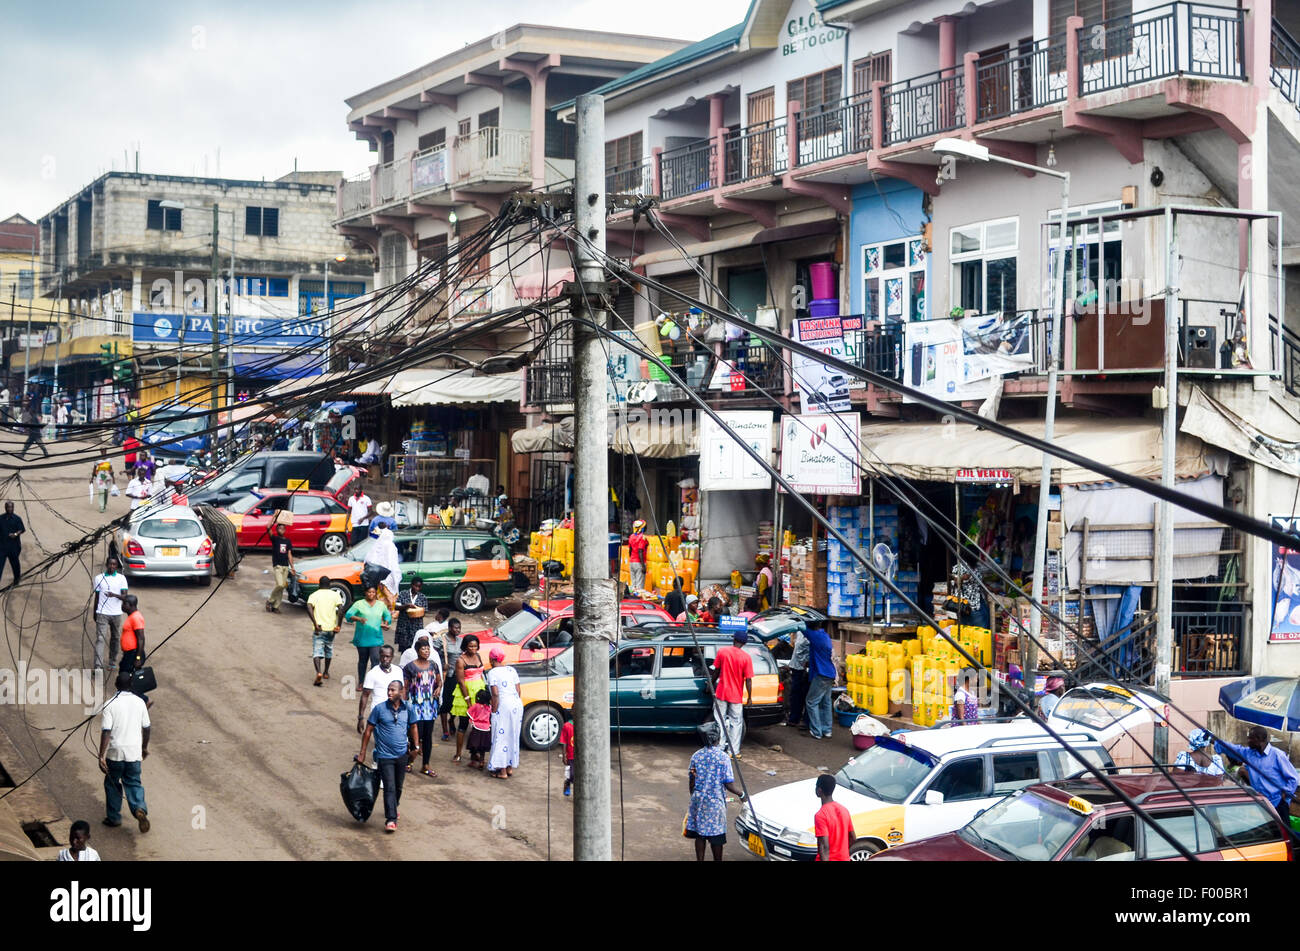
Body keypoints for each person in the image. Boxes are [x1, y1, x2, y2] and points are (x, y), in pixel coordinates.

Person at [356, 680, 419, 833]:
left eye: (393, 690)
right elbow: (368, 731)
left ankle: (393, 806)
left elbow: (414, 727)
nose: (389, 693)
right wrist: (363, 752)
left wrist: (416, 747)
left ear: (401, 691)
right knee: (389, 787)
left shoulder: (408, 708)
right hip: (384, 755)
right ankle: (391, 818)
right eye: (388, 690)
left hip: (402, 754)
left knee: (398, 786)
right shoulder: (379, 709)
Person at [98, 672, 150, 833]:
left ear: (116, 684)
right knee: (133, 782)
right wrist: (144, 748)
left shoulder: (110, 704)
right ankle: (139, 808)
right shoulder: (140, 702)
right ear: (132, 684)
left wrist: (101, 755)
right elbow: (146, 727)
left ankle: (114, 818)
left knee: (112, 783)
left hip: (116, 753)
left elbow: (106, 731)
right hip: (134, 752)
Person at [685, 722, 744, 861]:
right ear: (718, 738)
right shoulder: (723, 757)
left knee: (700, 834)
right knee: (716, 836)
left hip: (698, 800)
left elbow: (691, 780)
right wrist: (742, 794)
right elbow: (728, 784)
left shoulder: (696, 756)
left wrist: (694, 795)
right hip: (715, 803)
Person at [1213, 726, 1298, 814]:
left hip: (1278, 804)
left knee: (1282, 827)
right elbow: (1233, 749)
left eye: (1250, 738)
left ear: (1259, 739)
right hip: (1262, 803)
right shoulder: (1249, 754)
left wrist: (1284, 796)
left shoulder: (1277, 755)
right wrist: (1214, 741)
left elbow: (1294, 778)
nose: (1248, 741)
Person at [402, 636, 440, 778]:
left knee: (427, 736)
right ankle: (410, 761)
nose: (426, 651)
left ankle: (425, 765)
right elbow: (405, 687)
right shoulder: (410, 667)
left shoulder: (433, 665)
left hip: (429, 706)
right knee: (414, 734)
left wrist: (438, 689)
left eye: (428, 649)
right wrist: (404, 704)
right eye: (423, 649)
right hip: (415, 706)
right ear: (417, 651)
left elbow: (439, 681)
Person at [711, 631, 753, 758]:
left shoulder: (722, 652)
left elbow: (716, 671)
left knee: (720, 720)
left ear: (734, 639)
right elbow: (749, 679)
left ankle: (719, 748)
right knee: (736, 723)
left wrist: (710, 685)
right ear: (744, 643)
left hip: (722, 692)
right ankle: (733, 751)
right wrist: (750, 697)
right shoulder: (746, 657)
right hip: (736, 695)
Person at [345, 585, 391, 690]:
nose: (371, 594)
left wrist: (386, 623)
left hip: (376, 638)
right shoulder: (359, 604)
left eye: (373, 592)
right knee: (363, 661)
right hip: (362, 638)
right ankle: (361, 682)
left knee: (375, 660)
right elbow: (348, 615)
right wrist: (358, 618)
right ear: (365, 593)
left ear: (376, 593)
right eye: (369, 592)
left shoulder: (381, 605)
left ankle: (372, 683)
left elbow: (387, 616)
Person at [486, 646, 523, 779]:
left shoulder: (492, 673)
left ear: (491, 659)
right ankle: (509, 767)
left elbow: (495, 694)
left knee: (500, 736)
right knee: (512, 734)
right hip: (516, 704)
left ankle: (501, 771)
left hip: (504, 705)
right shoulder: (511, 670)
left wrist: (494, 711)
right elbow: (518, 690)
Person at [450, 634, 485, 764]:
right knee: (463, 725)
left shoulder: (479, 656)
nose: (473, 648)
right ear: (465, 646)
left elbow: (481, 675)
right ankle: (458, 753)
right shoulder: (460, 660)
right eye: (470, 646)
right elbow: (461, 682)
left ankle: (473, 753)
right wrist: (468, 701)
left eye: (475, 646)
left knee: (478, 726)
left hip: (479, 694)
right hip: (466, 694)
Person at [91, 556, 129, 673]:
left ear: (117, 567)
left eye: (114, 565)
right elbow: (97, 597)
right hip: (102, 613)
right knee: (100, 639)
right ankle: (98, 666)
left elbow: (125, 596)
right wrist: (95, 612)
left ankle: (112, 661)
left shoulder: (121, 578)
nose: (112, 567)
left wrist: (114, 595)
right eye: (110, 564)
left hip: (116, 614)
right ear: (106, 565)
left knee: (115, 638)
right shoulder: (98, 578)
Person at [307, 579, 345, 686]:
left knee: (317, 652)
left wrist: (315, 623)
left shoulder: (314, 595)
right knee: (328, 649)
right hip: (331, 629)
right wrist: (338, 625)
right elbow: (341, 610)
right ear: (329, 585)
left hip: (319, 628)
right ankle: (326, 672)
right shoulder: (335, 595)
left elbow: (309, 607)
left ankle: (318, 672)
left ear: (319, 584)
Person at [813, 772, 855, 862]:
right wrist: (842, 851)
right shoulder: (844, 810)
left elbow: (824, 846)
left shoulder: (821, 815)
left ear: (819, 790)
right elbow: (853, 837)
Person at [805, 624, 836, 740]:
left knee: (811, 701)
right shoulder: (824, 635)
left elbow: (801, 628)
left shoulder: (815, 636)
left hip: (822, 674)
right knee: (826, 702)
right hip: (829, 673)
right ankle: (827, 730)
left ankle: (816, 731)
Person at [194, 505, 239, 579]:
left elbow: (208, 530)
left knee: (229, 551)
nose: (198, 516)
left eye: (197, 514)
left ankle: (231, 572)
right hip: (222, 531)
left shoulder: (207, 509)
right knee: (219, 553)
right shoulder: (207, 516)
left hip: (228, 531)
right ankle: (221, 573)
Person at [436, 617, 463, 741]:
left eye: (459, 628)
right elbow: (432, 655)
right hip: (446, 676)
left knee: (456, 703)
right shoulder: (442, 640)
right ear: (449, 628)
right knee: (445, 704)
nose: (457, 630)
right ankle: (445, 731)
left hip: (458, 676)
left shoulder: (460, 641)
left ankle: (452, 720)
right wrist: (442, 664)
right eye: (455, 627)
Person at [362, 526, 401, 612]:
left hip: (379, 579)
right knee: (389, 597)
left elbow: (368, 560)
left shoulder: (377, 545)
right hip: (389, 578)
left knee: (379, 598)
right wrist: (395, 577)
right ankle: (389, 614)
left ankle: (379, 613)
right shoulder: (391, 546)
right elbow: (393, 563)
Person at [393, 576, 428, 654]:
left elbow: (424, 611)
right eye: (415, 586)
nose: (417, 588)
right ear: (411, 585)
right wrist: (406, 606)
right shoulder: (403, 594)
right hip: (404, 626)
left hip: (416, 627)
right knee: (404, 651)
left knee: (416, 650)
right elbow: (396, 607)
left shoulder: (422, 597)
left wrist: (416, 611)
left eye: (419, 587)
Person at [785, 625, 810, 730]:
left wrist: (804, 664)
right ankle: (794, 718)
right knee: (797, 694)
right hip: (798, 667)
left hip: (801, 668)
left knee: (800, 694)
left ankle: (798, 719)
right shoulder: (802, 633)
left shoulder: (806, 635)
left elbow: (800, 649)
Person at [266, 522, 294, 614]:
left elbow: (289, 554)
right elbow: (268, 527)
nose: (281, 530)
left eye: (283, 528)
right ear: (276, 530)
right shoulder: (275, 539)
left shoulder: (288, 541)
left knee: (282, 588)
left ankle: (276, 606)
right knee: (280, 585)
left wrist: (292, 567)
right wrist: (274, 516)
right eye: (279, 528)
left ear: (285, 530)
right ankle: (270, 600)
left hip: (285, 566)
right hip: (277, 565)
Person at [118, 595, 146, 675]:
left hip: (133, 654)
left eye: (123, 604)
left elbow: (141, 639)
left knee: (125, 675)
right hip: (129, 653)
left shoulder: (136, 618)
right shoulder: (131, 616)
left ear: (129, 605)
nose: (122, 606)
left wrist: (138, 658)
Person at [466, 688, 492, 769]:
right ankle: (481, 761)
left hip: (476, 729)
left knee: (473, 745)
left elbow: (468, 713)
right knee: (482, 747)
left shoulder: (476, 706)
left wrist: (473, 719)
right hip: (486, 729)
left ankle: (473, 761)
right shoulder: (489, 707)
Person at [0, 501, 24, 586]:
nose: (9, 509)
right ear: (5, 508)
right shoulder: (0, 518)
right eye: (8, 507)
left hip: (13, 547)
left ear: (13, 508)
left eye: (11, 507)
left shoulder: (17, 518)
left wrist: (16, 534)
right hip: (2, 547)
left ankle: (17, 579)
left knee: (15, 564)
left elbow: (22, 529)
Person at [627, 519, 648, 593]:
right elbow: (640, 551)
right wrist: (643, 566)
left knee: (633, 586)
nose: (646, 528)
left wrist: (632, 560)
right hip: (639, 563)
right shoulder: (642, 537)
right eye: (645, 526)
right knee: (639, 587)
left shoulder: (631, 536)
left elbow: (630, 550)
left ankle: (632, 601)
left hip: (632, 562)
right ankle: (638, 602)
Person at [560, 708, 576, 797]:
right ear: (572, 712)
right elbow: (564, 741)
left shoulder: (584, 725)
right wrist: (564, 755)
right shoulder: (567, 726)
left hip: (582, 756)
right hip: (571, 755)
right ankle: (567, 783)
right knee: (572, 774)